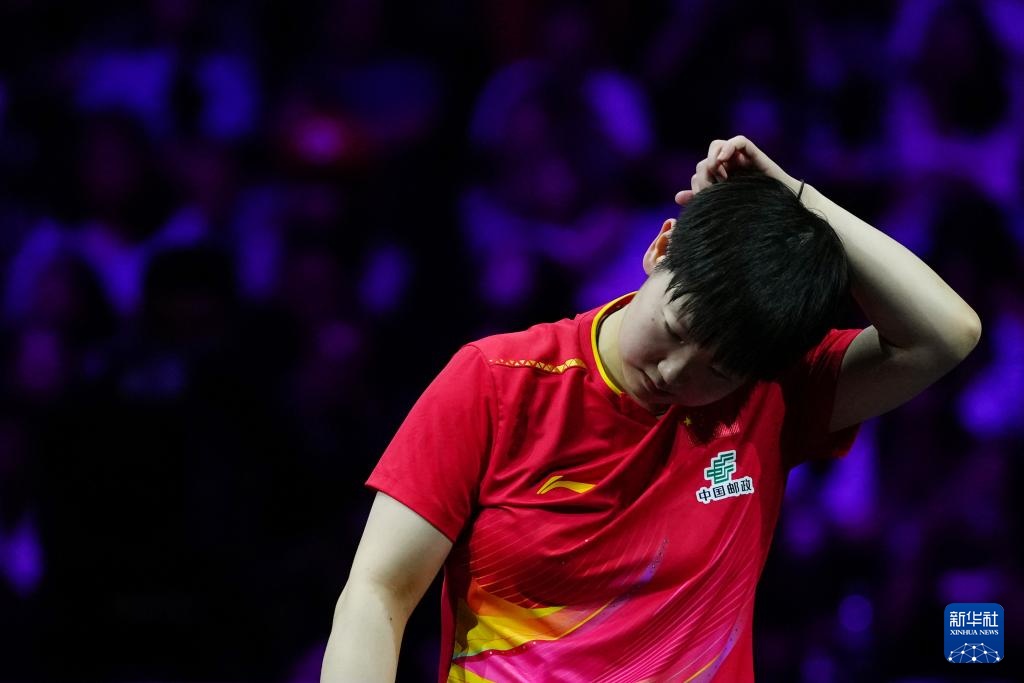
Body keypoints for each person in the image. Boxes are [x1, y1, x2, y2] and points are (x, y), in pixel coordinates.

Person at [320, 136, 981, 682]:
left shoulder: (774, 395)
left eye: (716, 370)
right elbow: (378, 591)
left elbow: (946, 334)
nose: (673, 372)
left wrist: (791, 195)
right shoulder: (496, 383)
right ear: (661, 250)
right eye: (673, 328)